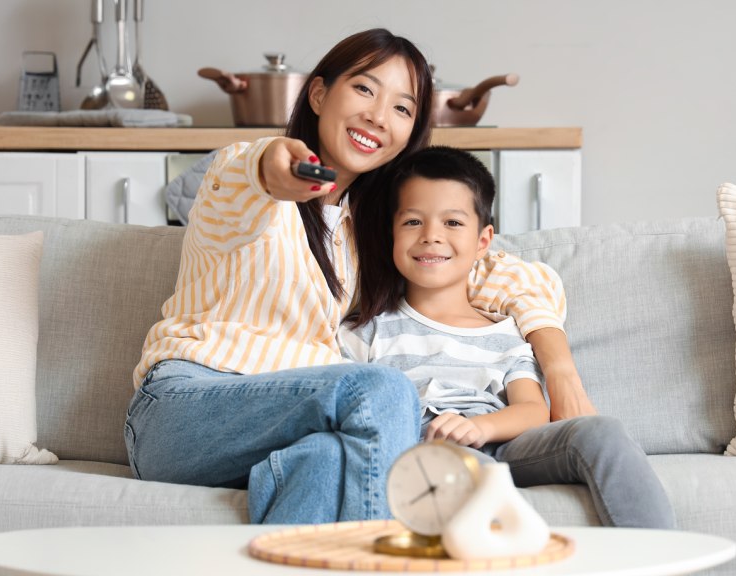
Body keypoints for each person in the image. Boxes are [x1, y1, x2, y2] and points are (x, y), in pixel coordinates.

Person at [124, 28, 596, 526]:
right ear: (320, 93)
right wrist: (272, 168)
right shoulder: (247, 185)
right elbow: (247, 176)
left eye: (402, 108)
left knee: (329, 461)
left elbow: (505, 273)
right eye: (365, 90)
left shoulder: (374, 234)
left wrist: (559, 368)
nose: (377, 115)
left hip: (294, 427)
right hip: (183, 412)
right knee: (386, 392)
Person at [340, 146, 676, 528]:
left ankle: (661, 554)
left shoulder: (505, 331)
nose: (431, 237)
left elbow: (534, 410)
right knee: (466, 467)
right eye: (413, 222)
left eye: (452, 223)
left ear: (483, 241)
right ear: (391, 234)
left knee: (603, 432)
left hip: (506, 441)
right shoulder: (368, 331)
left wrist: (481, 428)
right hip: (427, 447)